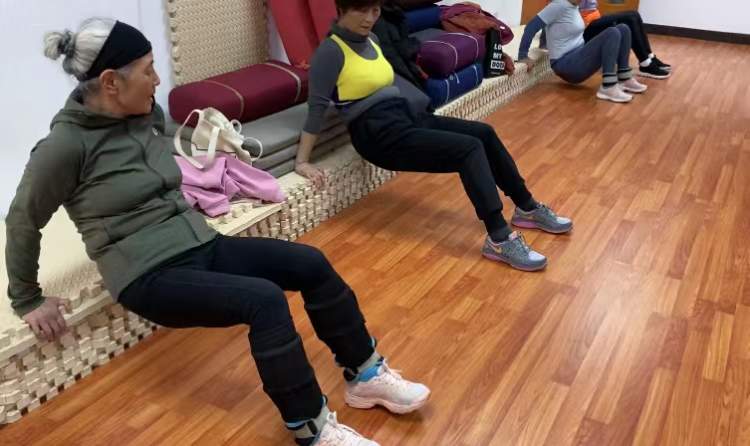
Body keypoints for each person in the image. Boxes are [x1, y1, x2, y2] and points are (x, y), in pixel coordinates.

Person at [5, 17, 429, 446]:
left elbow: (168, 163)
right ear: (111, 82)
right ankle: (312, 429)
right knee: (264, 301)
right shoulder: (63, 148)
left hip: (201, 244)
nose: (157, 80)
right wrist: (27, 298)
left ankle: (365, 375)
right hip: (147, 275)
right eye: (149, 70)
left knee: (311, 264)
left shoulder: (144, 116)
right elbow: (22, 218)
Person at [296, 0, 573, 273]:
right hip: (377, 135)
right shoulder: (330, 52)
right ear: (342, 10)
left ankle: (526, 207)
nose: (370, 18)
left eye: (375, 10)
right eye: (361, 9)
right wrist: (302, 162)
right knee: (468, 149)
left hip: (404, 117)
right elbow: (316, 108)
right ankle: (499, 238)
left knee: (484, 133)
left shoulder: (372, 40)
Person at [519, 0, 649, 103]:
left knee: (623, 28)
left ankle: (624, 78)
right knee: (612, 32)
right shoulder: (559, 5)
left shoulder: (574, 6)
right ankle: (608, 86)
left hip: (578, 55)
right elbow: (531, 27)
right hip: (565, 64)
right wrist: (523, 55)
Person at [579, 0, 671, 79]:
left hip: (594, 18)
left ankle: (650, 56)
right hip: (585, 27)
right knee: (629, 19)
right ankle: (645, 64)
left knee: (634, 14)